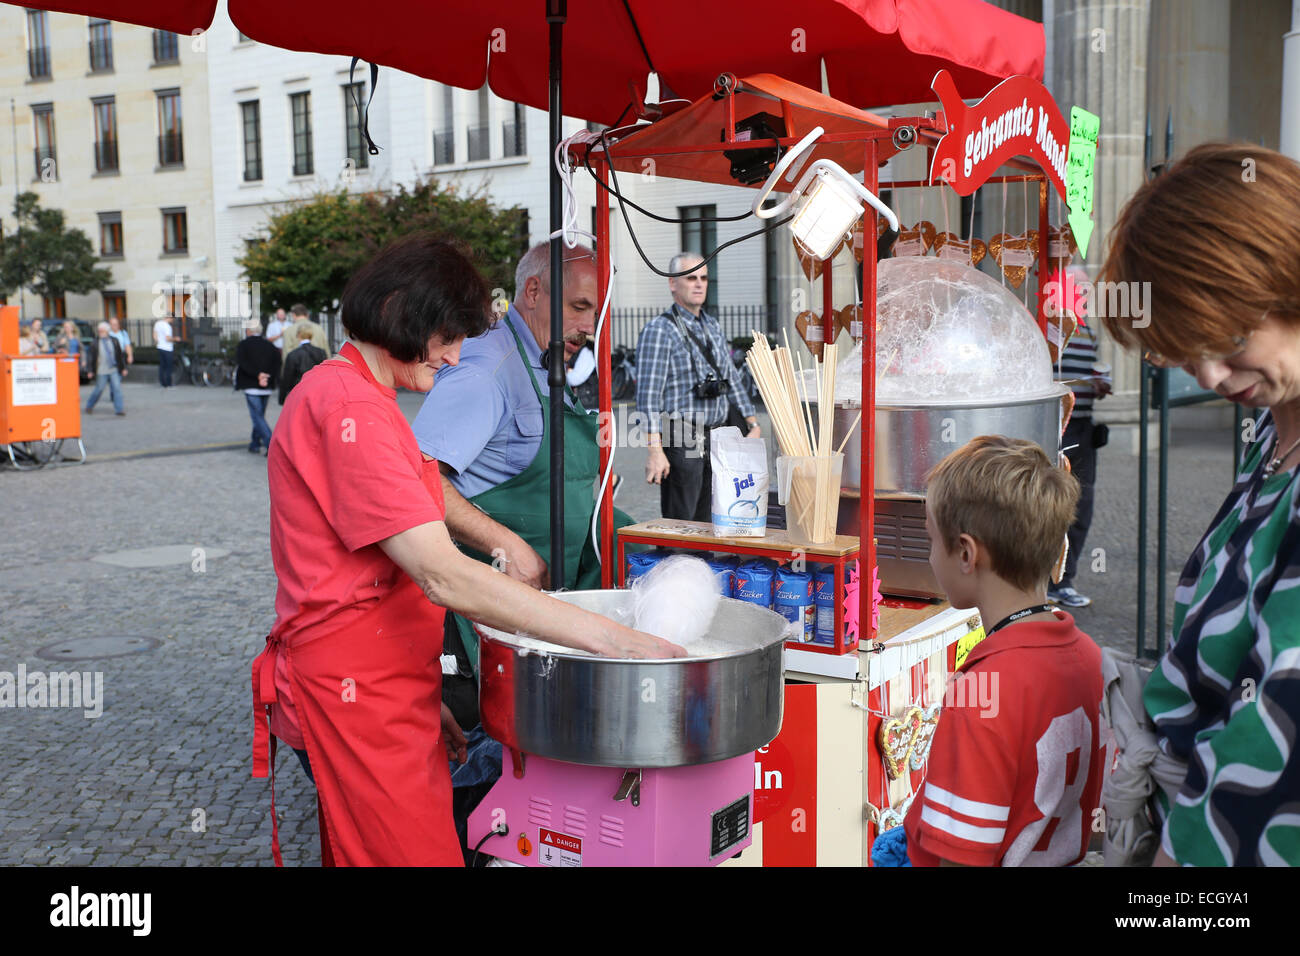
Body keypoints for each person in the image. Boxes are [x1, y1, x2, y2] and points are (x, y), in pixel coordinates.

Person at [251, 233, 682, 868]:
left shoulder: (372, 399)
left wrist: (423, 696)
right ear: (403, 313)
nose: (455, 361)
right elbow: (442, 573)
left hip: (392, 686)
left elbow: (424, 496)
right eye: (448, 340)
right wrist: (612, 640)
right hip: (355, 693)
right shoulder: (348, 407)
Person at [1098, 142, 1300, 866]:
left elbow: (1281, 731)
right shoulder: (1268, 433)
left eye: (1232, 338)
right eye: (1186, 354)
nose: (1212, 374)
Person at [412, 241, 626, 858]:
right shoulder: (486, 371)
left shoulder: (541, 363)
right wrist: (505, 542)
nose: (589, 326)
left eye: (595, 311)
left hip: (528, 613)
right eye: (580, 307)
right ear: (533, 293)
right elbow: (419, 483)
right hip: (471, 621)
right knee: (469, 775)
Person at [890, 435, 1104, 866]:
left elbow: (958, 856)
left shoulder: (980, 693)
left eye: (932, 540)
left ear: (966, 553)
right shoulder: (1091, 657)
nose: (931, 556)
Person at [637, 252, 760, 520]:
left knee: (709, 521)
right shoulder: (660, 330)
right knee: (681, 525)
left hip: (717, 436)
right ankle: (676, 563)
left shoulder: (712, 325)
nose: (699, 284)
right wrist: (655, 451)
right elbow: (648, 398)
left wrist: (752, 422)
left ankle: (702, 563)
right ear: (672, 284)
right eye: (690, 278)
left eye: (704, 278)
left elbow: (732, 379)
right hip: (682, 436)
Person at [1047, 265, 1112, 608]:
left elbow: (1090, 373)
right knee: (1048, 503)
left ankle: (1064, 581)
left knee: (1082, 505)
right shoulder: (1051, 326)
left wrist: (1100, 384)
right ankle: (1042, 578)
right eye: (1079, 289)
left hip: (1084, 427)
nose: (1085, 296)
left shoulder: (1088, 330)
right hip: (1056, 427)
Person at [235, 317, 281, 455]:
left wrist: (257, 375)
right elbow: (277, 363)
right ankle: (254, 443)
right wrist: (266, 376)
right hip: (266, 387)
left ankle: (271, 444)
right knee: (259, 415)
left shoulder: (243, 345)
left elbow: (242, 363)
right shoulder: (270, 346)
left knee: (257, 417)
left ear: (248, 330)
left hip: (251, 386)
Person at [278, 323, 328, 404]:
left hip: (299, 392)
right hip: (317, 392)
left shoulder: (293, 354)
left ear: (298, 335)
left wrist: (282, 398)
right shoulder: (321, 352)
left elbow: (287, 377)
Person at [84, 321, 126, 416]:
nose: (100, 332)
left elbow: (120, 355)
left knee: (117, 388)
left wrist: (123, 368)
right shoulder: (95, 342)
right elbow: (90, 357)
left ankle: (119, 409)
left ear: (107, 331)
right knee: (99, 389)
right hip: (101, 370)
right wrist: (90, 370)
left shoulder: (114, 340)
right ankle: (89, 405)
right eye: (99, 331)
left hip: (113, 369)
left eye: (102, 331)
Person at [153, 313, 176, 387]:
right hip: (168, 348)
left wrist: (158, 342)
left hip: (160, 347)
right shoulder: (167, 326)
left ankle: (162, 382)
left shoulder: (157, 324)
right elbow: (168, 338)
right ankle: (168, 383)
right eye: (172, 319)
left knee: (162, 366)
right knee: (169, 367)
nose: (172, 321)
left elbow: (155, 335)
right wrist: (175, 339)